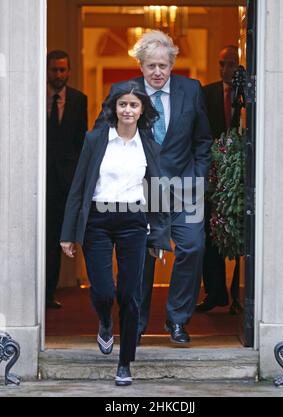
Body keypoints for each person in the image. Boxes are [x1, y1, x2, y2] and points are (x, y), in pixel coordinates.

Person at [94, 31, 212, 344]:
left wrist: (198, 179)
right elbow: (99, 138)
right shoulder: (123, 91)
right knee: (140, 257)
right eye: (151, 66)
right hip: (138, 191)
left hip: (183, 187)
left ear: (172, 64)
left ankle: (177, 321)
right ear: (141, 67)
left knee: (192, 247)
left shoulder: (191, 89)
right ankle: (137, 322)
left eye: (163, 65)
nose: (157, 72)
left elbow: (202, 140)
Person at [60, 81, 171, 386]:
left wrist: (160, 235)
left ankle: (125, 364)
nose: (127, 110)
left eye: (134, 105)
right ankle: (106, 323)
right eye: (122, 104)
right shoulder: (95, 139)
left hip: (134, 221)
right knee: (104, 291)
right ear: (113, 107)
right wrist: (69, 232)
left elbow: (158, 191)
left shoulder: (149, 145)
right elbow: (79, 186)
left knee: (130, 295)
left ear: (142, 110)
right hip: (97, 219)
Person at [195, 45, 239, 313]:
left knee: (239, 236)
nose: (225, 69)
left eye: (231, 64)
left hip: (239, 179)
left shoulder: (249, 93)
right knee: (208, 233)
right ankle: (214, 292)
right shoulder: (206, 92)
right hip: (211, 177)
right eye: (222, 63)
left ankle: (239, 295)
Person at [46, 50, 88, 309]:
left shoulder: (78, 100)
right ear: (47, 70)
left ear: (69, 71)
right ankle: (40, 294)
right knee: (42, 238)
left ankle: (50, 293)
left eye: (63, 70)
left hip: (66, 181)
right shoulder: (36, 97)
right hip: (40, 179)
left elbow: (81, 140)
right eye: (54, 70)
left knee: (59, 237)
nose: (59, 74)